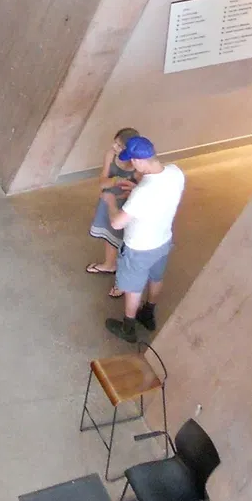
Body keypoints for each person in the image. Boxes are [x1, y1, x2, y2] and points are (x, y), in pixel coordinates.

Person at [99, 135, 185, 344]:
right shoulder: (176, 172)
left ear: (138, 161)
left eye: (132, 160)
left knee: (133, 285)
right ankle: (148, 313)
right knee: (156, 277)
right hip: (163, 240)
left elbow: (118, 223)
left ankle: (128, 326)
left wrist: (110, 202)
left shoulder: (144, 192)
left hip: (139, 246)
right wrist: (136, 188)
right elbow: (157, 195)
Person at [85, 127, 141, 298]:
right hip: (109, 199)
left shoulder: (138, 164)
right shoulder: (110, 155)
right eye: (115, 142)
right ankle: (109, 264)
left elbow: (141, 189)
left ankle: (122, 282)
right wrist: (116, 181)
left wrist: (124, 190)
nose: (113, 147)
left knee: (127, 244)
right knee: (109, 235)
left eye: (118, 145)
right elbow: (102, 182)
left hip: (127, 205)